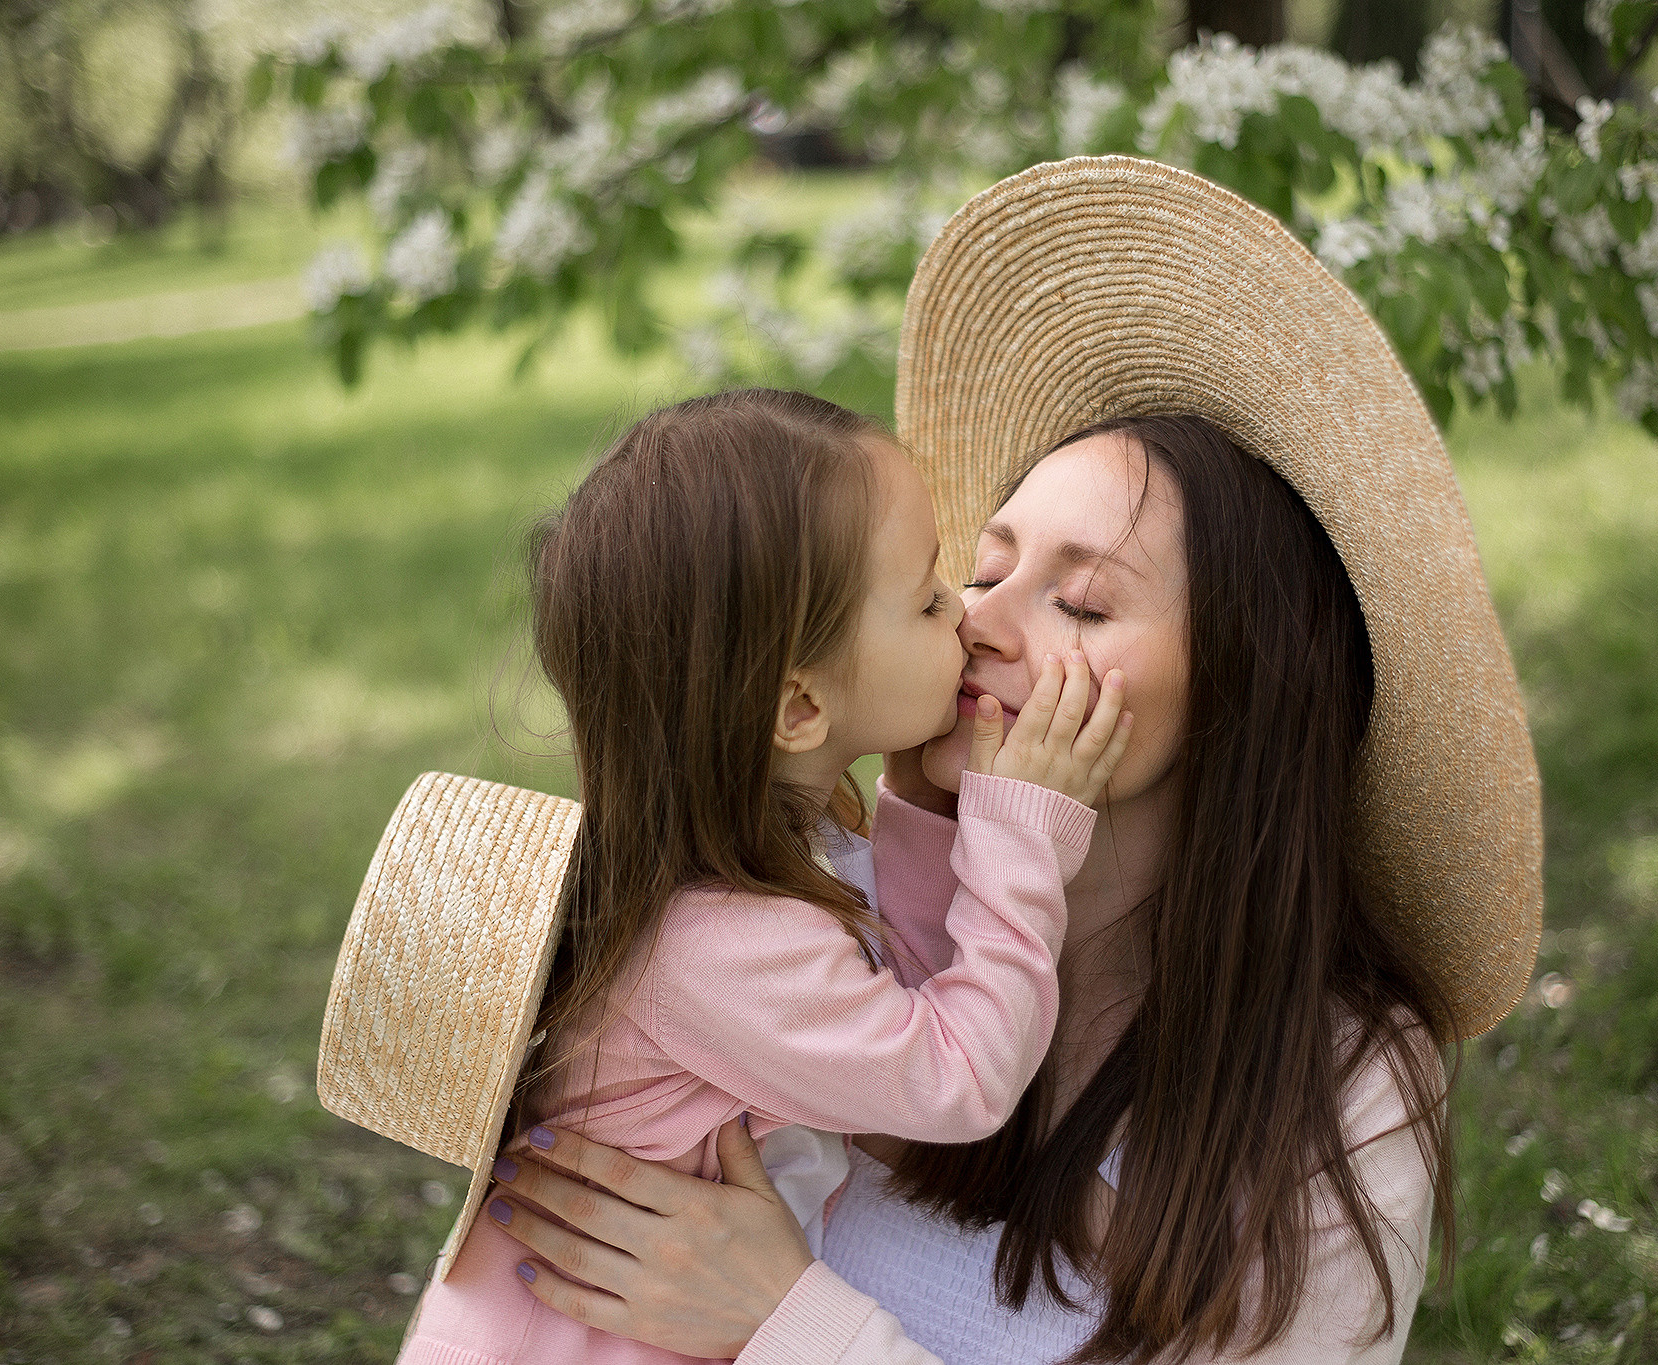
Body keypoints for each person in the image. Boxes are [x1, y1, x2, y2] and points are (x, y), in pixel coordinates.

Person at [475, 157, 1545, 1364]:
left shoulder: (1341, 1084)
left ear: (1240, 691)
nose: (977, 618)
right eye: (977, 571)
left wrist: (791, 1328)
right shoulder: (828, 917)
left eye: (1081, 604)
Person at [396, 388, 1134, 1365]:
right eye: (924, 599)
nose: (964, 612)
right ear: (797, 706)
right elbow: (956, 1078)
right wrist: (1024, 838)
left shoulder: (729, 873)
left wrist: (921, 797)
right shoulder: (715, 940)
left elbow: (899, 982)